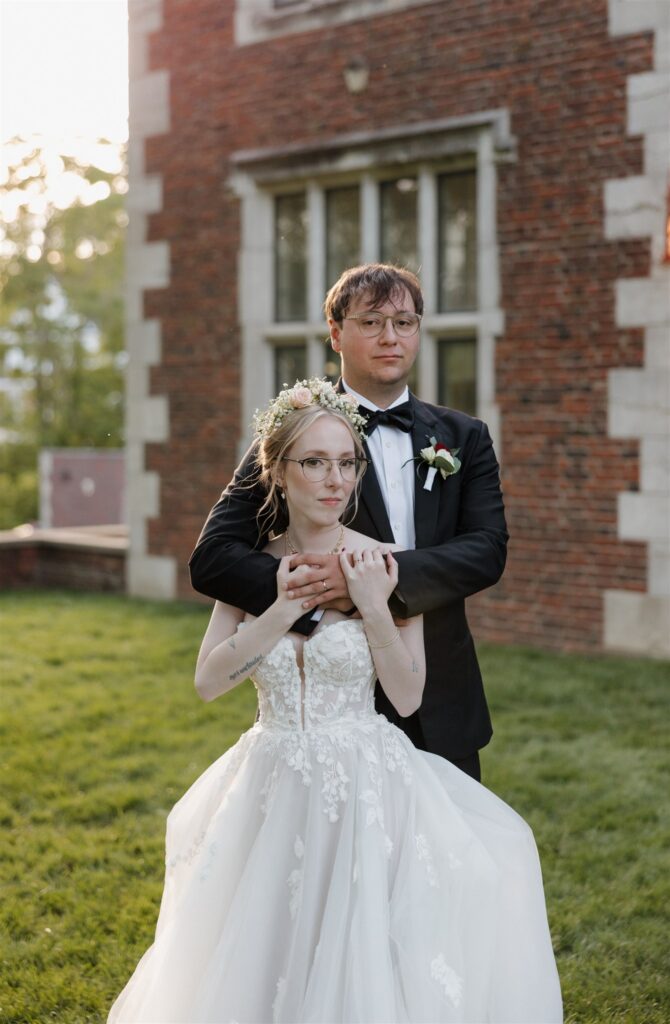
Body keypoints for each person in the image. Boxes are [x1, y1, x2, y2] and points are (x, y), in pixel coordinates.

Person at [109, 383, 562, 1023]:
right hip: (269, 781)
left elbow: (407, 696)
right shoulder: (252, 566)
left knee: (360, 950)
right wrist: (282, 608)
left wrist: (376, 604)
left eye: (347, 463)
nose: (335, 480)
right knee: (264, 949)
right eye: (315, 463)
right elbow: (210, 681)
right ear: (277, 471)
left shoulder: (385, 563)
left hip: (364, 783)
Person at [189, 263, 508, 782]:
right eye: (371, 322)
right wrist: (314, 594)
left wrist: (375, 582)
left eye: (405, 323)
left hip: (440, 698)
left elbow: (486, 550)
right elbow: (214, 558)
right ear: (336, 333)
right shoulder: (296, 433)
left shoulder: (465, 436)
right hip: (323, 710)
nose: (391, 338)